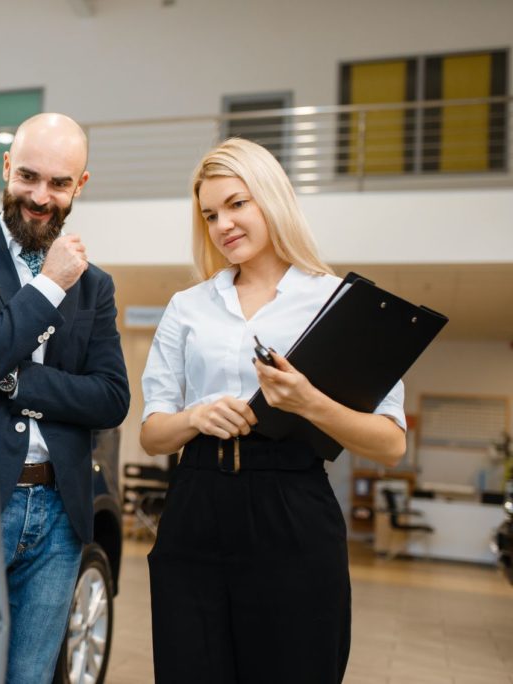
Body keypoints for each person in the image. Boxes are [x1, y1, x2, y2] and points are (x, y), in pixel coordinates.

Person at [140, 138, 407, 684]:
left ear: (271, 200)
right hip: (195, 506)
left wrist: (309, 402)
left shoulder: (338, 303)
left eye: (238, 204)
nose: (223, 225)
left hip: (293, 510)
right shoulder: (187, 306)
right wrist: (196, 417)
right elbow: (151, 432)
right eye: (210, 214)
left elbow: (390, 443)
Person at [0, 112, 130, 682]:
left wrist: (13, 382)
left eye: (59, 183)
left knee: (31, 677)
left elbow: (112, 398)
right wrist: (48, 286)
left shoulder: (98, 285)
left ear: (80, 185)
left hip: (60, 519)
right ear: (7, 167)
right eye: (29, 177)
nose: (41, 197)